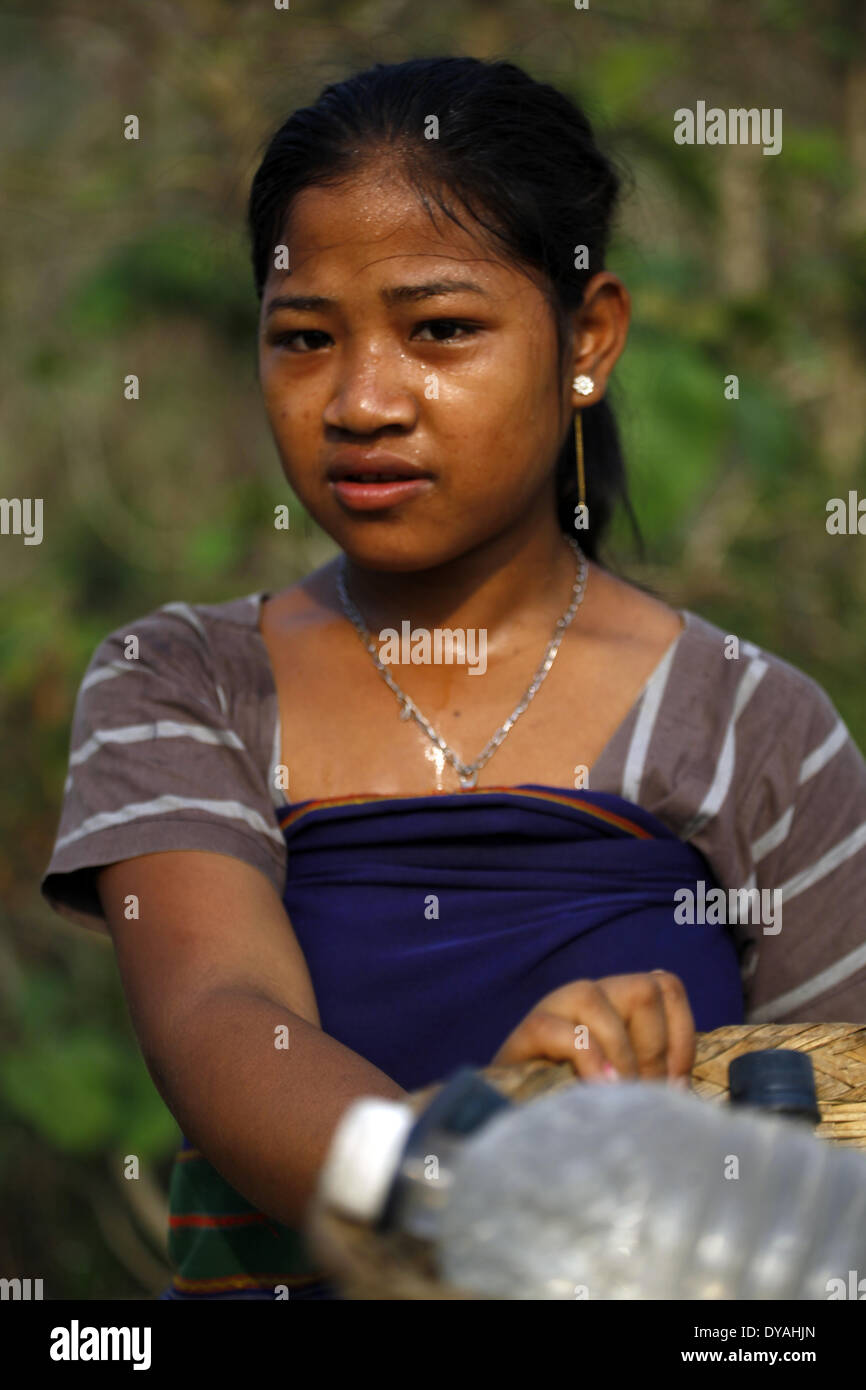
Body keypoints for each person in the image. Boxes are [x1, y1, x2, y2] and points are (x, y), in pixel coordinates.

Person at [41, 56, 866, 1301]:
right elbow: (220, 1015)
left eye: (440, 330)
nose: (362, 401)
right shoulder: (184, 680)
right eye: (306, 339)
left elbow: (829, 1135)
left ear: (586, 338)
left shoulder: (758, 729)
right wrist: (471, 1165)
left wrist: (643, 1124)